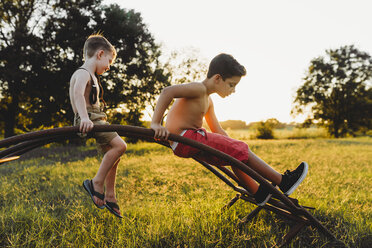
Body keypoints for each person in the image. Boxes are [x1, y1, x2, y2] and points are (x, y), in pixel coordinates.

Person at [151, 53, 308, 206]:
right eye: (231, 85)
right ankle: (284, 182)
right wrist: (156, 123)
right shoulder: (198, 89)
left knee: (235, 152)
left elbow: (217, 129)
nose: (233, 90)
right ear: (218, 78)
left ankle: (259, 192)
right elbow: (167, 91)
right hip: (185, 138)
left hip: (188, 142)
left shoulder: (208, 101)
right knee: (239, 149)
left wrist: (233, 143)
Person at [69, 34, 127, 218]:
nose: (108, 66)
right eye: (109, 61)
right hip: (90, 119)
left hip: (96, 118)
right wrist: (85, 118)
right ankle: (96, 182)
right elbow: (78, 94)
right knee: (121, 146)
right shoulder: (83, 73)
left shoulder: (91, 75)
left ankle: (110, 195)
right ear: (100, 54)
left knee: (114, 154)